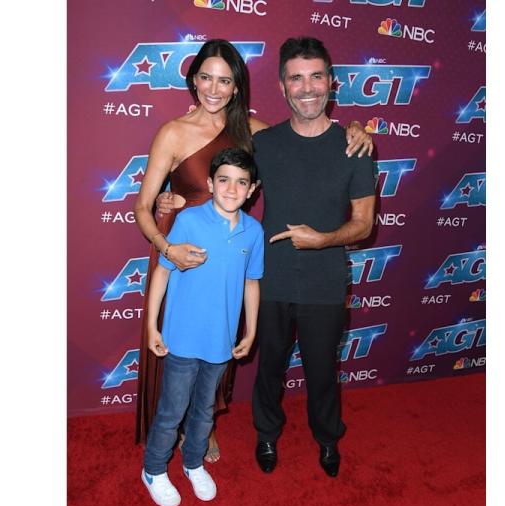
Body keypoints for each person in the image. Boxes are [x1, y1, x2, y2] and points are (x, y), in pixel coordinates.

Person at [134, 39, 373, 463]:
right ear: (192, 80)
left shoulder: (253, 131)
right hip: (183, 248)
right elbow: (147, 201)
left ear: (237, 86)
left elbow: (307, 135)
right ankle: (173, 435)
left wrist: (358, 129)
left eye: (225, 80)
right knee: (185, 348)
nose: (214, 88)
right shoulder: (175, 131)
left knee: (219, 343)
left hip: (230, 256)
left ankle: (203, 425)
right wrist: (167, 230)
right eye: (206, 77)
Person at [249, 37, 376, 478]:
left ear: (332, 83)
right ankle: (266, 433)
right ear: (283, 87)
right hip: (270, 278)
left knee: (324, 373)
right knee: (270, 368)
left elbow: (363, 224)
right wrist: (173, 203)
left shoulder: (355, 147)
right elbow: (218, 175)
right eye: (296, 78)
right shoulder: (264, 143)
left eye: (316, 76)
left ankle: (327, 439)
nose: (307, 88)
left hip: (325, 281)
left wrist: (322, 239)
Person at [141, 148, 263, 506]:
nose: (231, 189)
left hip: (221, 342)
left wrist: (251, 331)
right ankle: (153, 468)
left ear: (252, 189)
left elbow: (251, 283)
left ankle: (193, 462)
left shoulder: (253, 232)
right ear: (209, 183)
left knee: (204, 410)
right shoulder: (190, 221)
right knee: (172, 409)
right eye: (223, 180)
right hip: (181, 338)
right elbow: (163, 271)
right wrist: (152, 325)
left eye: (241, 182)